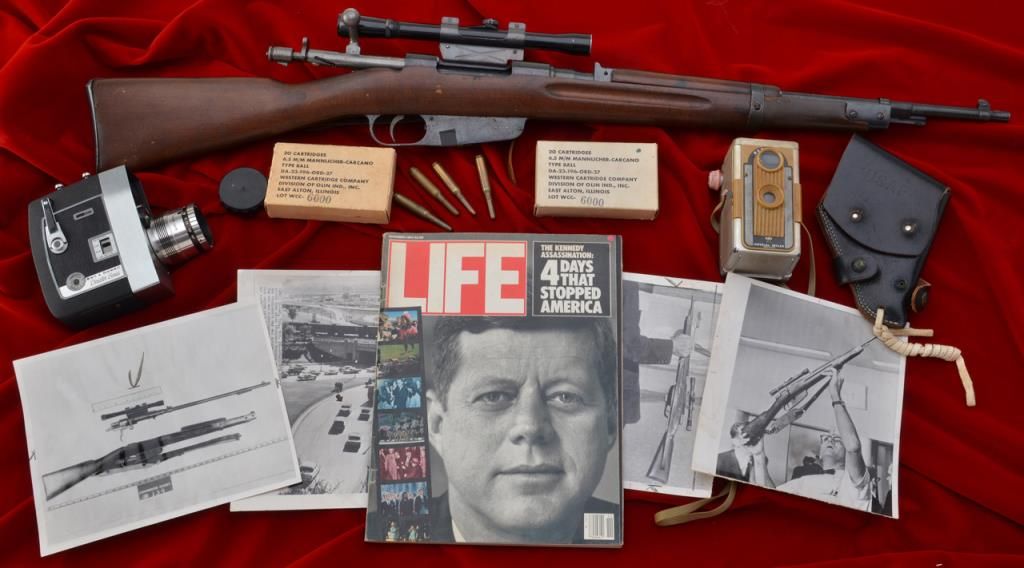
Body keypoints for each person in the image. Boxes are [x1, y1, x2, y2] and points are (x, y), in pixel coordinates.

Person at [422, 315, 619, 544]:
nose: (530, 426)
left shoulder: (643, 540)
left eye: (565, 397)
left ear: (610, 424)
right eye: (493, 396)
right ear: (437, 424)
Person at [750, 369, 872, 511]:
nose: (830, 441)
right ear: (819, 454)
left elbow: (853, 447)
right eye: (826, 438)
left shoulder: (854, 480)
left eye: (837, 439)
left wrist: (836, 396)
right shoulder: (803, 482)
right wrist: (758, 454)